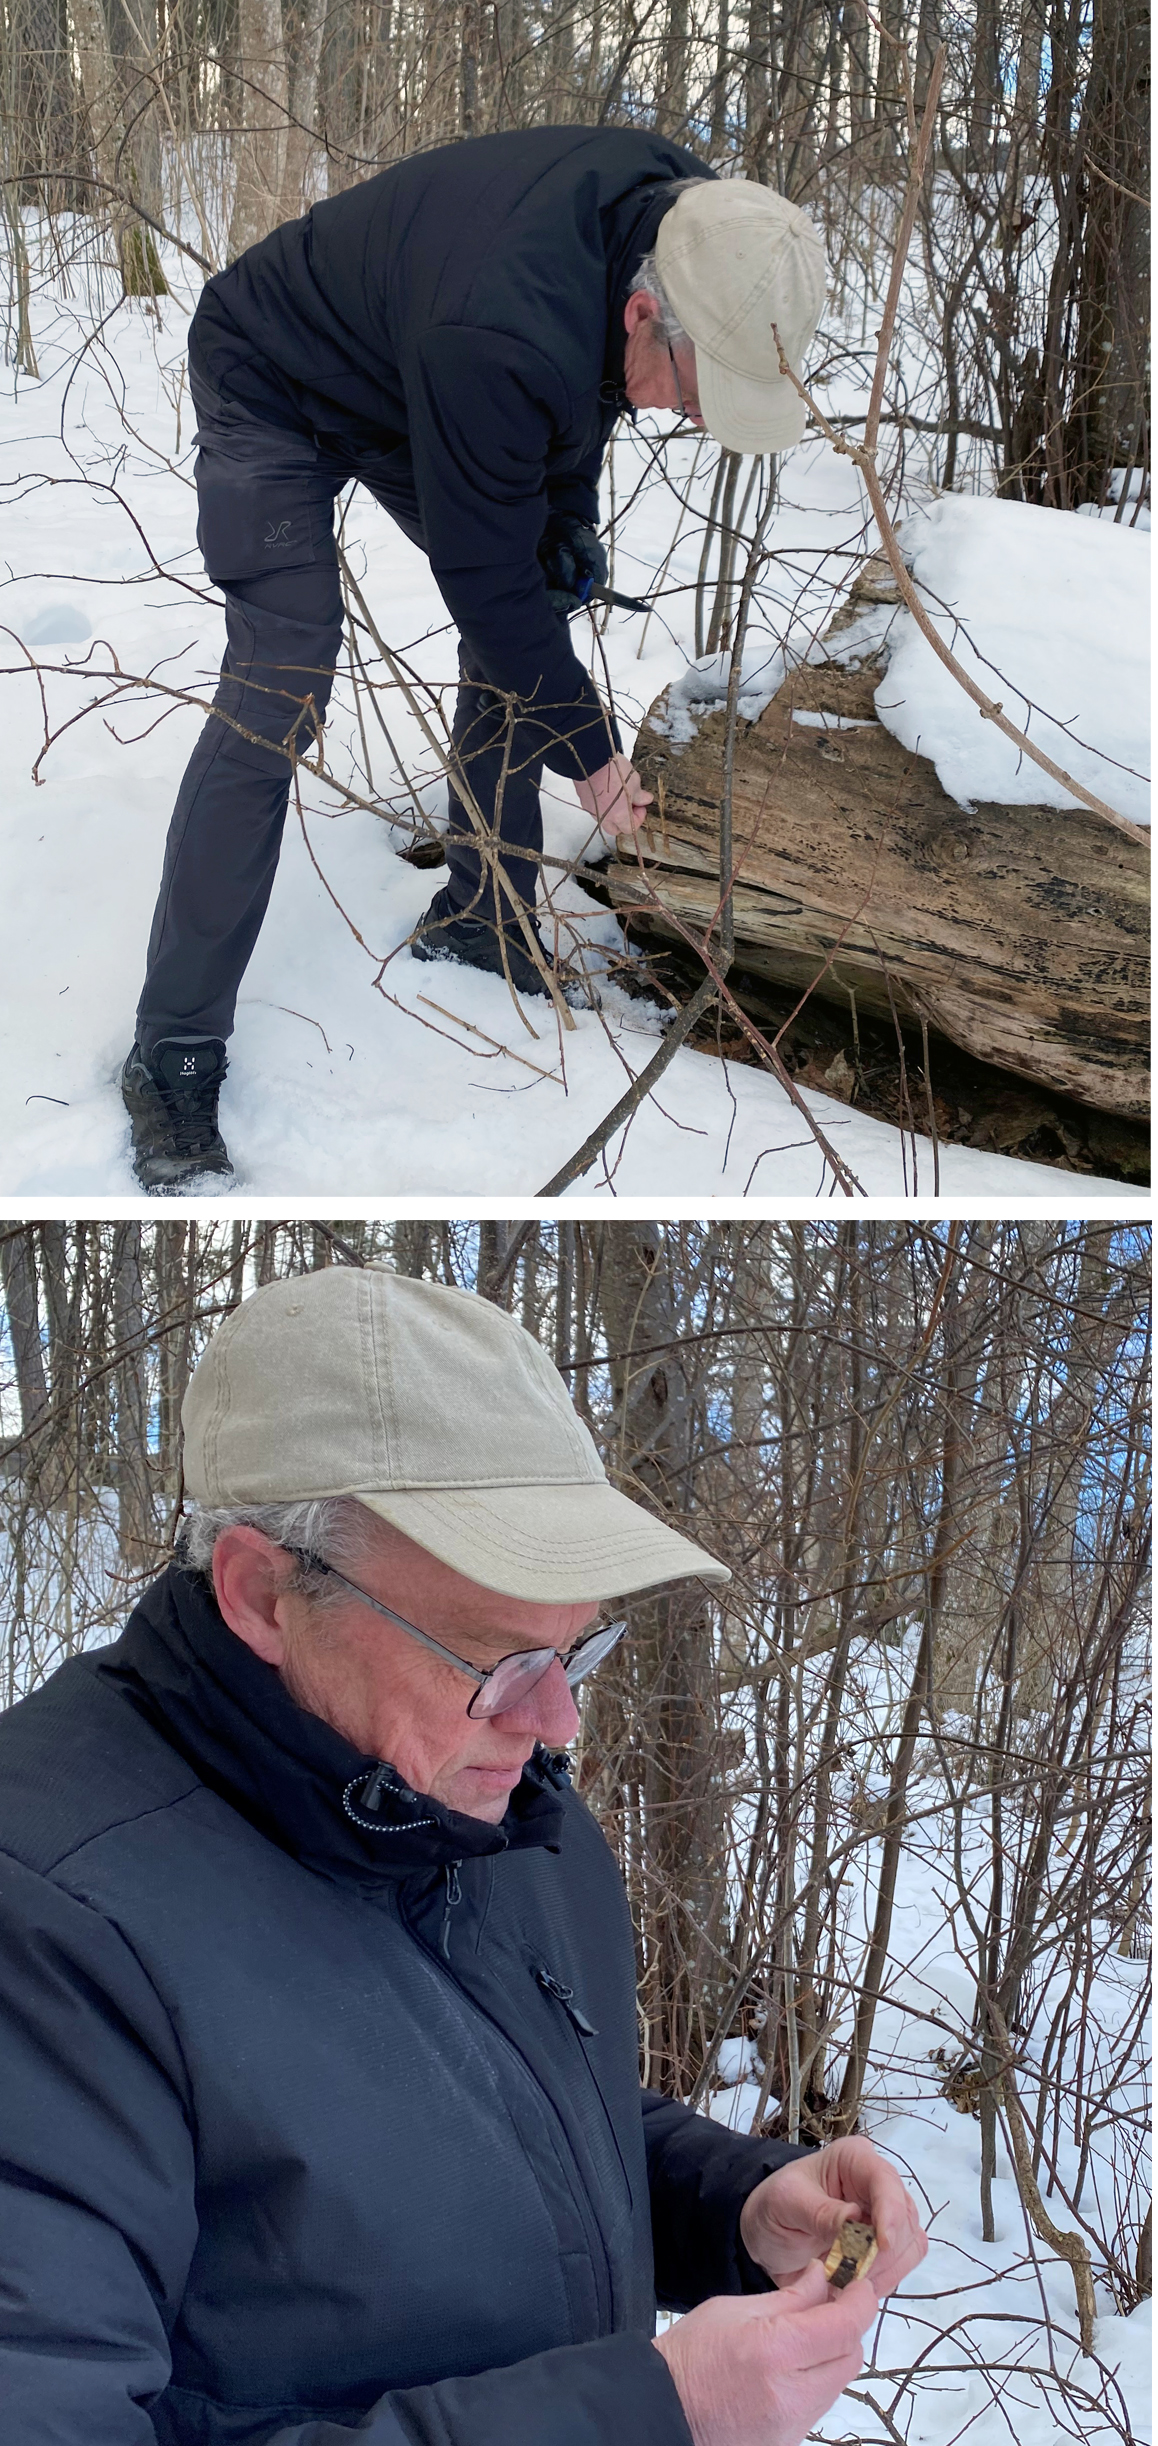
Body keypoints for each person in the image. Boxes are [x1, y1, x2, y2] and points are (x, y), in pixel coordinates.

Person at [0, 1265, 931, 2443]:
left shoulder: (484, 1812)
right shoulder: (44, 1919)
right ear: (261, 1592)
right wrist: (641, 2415)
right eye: (495, 1660)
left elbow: (482, 2112)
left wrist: (731, 2203)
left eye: (573, 1653)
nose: (555, 1723)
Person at [121, 128, 831, 1194]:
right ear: (649, 312)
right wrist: (588, 749)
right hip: (276, 369)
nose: (685, 416)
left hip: (418, 369)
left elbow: (582, 396)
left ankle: (481, 920)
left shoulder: (688, 225)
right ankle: (172, 1049)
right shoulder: (498, 336)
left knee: (539, 581)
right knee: (286, 676)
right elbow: (485, 574)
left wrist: (571, 525)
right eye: (692, 395)